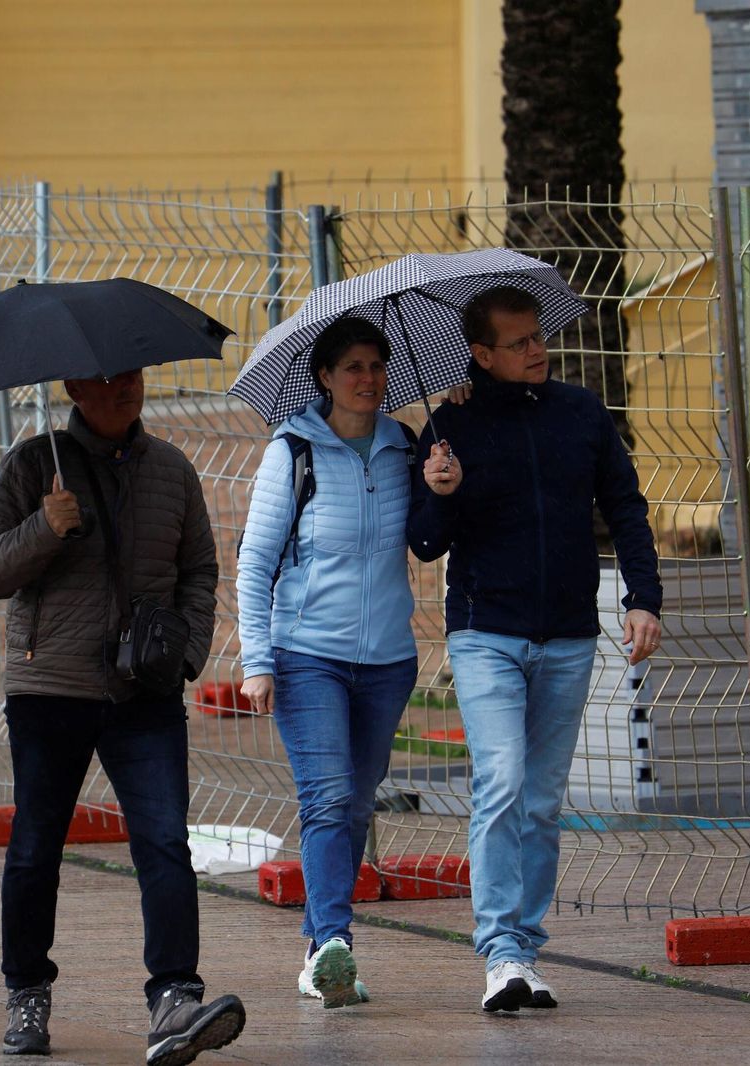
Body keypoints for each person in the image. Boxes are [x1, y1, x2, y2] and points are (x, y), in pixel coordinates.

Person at [0, 368, 246, 1064]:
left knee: (163, 842)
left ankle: (175, 996)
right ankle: (27, 993)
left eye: (132, 377)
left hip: (142, 692)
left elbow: (200, 570)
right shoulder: (34, 464)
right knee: (36, 849)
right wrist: (43, 528)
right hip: (48, 688)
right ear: (73, 387)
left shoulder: (172, 470)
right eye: (104, 379)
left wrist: (183, 654)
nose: (122, 389)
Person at [407, 285, 663, 1013]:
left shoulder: (581, 413)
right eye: (518, 343)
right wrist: (442, 490)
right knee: (503, 781)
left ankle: (526, 946)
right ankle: (500, 955)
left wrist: (643, 597)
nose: (537, 350)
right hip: (486, 632)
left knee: (544, 800)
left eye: (538, 337)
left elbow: (625, 505)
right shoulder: (450, 424)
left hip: (569, 635)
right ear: (481, 354)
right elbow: (426, 542)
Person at [236, 317, 443, 1009]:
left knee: (353, 803)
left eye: (377, 366)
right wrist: (256, 660)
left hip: (387, 660)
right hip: (307, 656)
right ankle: (334, 946)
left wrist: (444, 479)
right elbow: (255, 562)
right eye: (353, 367)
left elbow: (427, 544)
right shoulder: (292, 451)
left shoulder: (404, 447)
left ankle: (318, 947)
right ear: (324, 377)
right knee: (326, 797)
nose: (369, 379)